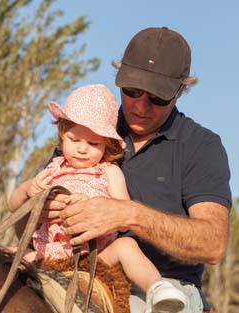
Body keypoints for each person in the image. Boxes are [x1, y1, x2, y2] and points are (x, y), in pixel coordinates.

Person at [43, 27, 231, 313]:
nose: (141, 106)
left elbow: (213, 244)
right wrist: (43, 209)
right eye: (131, 91)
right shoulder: (88, 131)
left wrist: (127, 213)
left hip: (161, 290)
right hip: (74, 276)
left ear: (181, 91)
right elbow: (25, 224)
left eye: (157, 97)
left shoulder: (201, 146)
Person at [9, 84, 187, 313]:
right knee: (4, 254)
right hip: (48, 254)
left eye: (93, 144)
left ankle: (157, 288)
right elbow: (14, 206)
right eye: (75, 140)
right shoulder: (52, 170)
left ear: (107, 145)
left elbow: (124, 209)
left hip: (94, 255)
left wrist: (93, 205)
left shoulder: (108, 172)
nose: (82, 149)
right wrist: (27, 191)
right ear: (62, 135)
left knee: (127, 246)